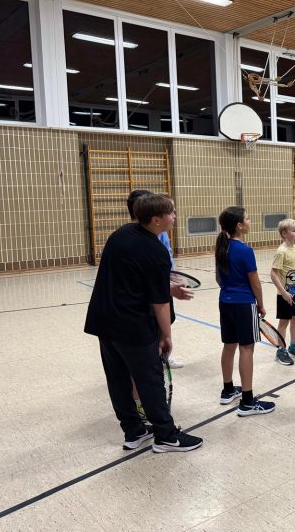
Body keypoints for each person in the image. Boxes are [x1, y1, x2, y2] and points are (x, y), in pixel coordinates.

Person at [85, 193, 203, 453]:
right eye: (171, 213)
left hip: (105, 322)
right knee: (150, 380)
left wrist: (167, 287)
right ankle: (166, 436)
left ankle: (133, 431)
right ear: (157, 219)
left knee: (117, 379)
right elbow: (159, 303)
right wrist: (166, 335)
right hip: (133, 326)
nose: (175, 217)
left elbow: (134, 278)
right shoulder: (156, 251)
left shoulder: (120, 235)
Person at [216, 206, 275, 417]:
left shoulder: (222, 248)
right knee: (246, 349)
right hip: (244, 304)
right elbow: (255, 283)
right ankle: (248, 402)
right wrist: (261, 304)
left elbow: (218, 279)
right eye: (247, 219)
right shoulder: (245, 251)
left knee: (229, 346)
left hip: (225, 302)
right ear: (239, 226)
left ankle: (228, 389)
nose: (250, 221)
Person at [127, 190, 189, 369]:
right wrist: (166, 286)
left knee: (166, 321)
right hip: (157, 289)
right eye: (171, 212)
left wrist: (173, 276)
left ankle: (162, 357)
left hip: (165, 282)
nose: (174, 216)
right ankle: (157, 357)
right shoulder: (146, 240)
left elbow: (167, 257)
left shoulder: (157, 233)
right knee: (158, 324)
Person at [270, 219, 295, 365]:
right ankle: (280, 351)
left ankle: (293, 347)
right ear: (284, 234)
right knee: (284, 322)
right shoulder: (281, 251)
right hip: (285, 295)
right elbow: (273, 274)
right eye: (294, 231)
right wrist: (283, 293)